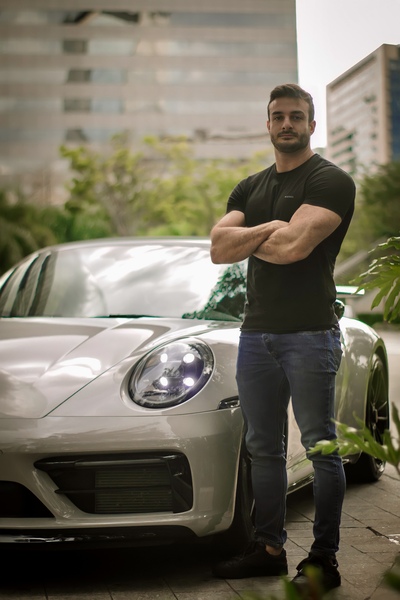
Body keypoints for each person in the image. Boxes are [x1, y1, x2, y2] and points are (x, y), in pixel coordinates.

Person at [210, 83, 356, 595]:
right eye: (278, 116)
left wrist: (252, 237)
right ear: (268, 124)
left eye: (296, 116)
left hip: (311, 334)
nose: (287, 123)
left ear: (312, 125)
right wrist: (271, 226)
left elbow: (294, 247)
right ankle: (269, 550)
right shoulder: (249, 188)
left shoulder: (330, 181)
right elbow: (217, 248)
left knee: (320, 447)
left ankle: (323, 559)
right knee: (263, 449)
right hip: (256, 336)